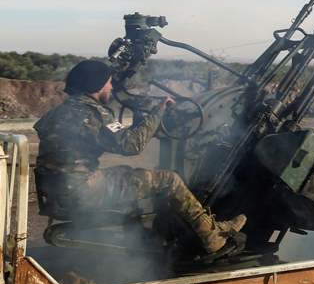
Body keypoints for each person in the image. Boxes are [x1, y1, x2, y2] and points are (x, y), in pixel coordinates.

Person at [33, 59, 246, 256]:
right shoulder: (95, 113)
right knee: (169, 180)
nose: (111, 88)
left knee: (128, 174)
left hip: (55, 192)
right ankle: (213, 237)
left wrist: (139, 124)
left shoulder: (56, 114)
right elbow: (132, 145)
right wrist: (158, 112)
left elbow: (112, 138)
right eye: (108, 83)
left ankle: (144, 239)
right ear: (96, 86)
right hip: (82, 191)